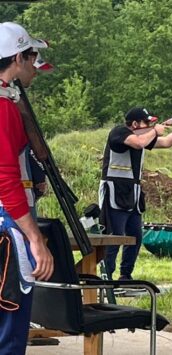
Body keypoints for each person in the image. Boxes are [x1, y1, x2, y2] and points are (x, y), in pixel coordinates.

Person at [0, 22, 55, 354]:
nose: (35, 66)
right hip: (7, 226)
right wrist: (35, 239)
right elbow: (6, 179)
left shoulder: (9, 101)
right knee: (10, 328)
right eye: (32, 56)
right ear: (18, 57)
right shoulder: (3, 107)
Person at [100, 108, 172, 280]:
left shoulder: (142, 137)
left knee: (135, 237)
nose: (151, 125)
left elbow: (167, 142)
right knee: (113, 238)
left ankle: (125, 276)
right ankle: (106, 278)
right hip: (115, 192)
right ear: (135, 124)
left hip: (133, 193)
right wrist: (155, 131)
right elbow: (138, 143)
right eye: (147, 123)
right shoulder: (119, 132)